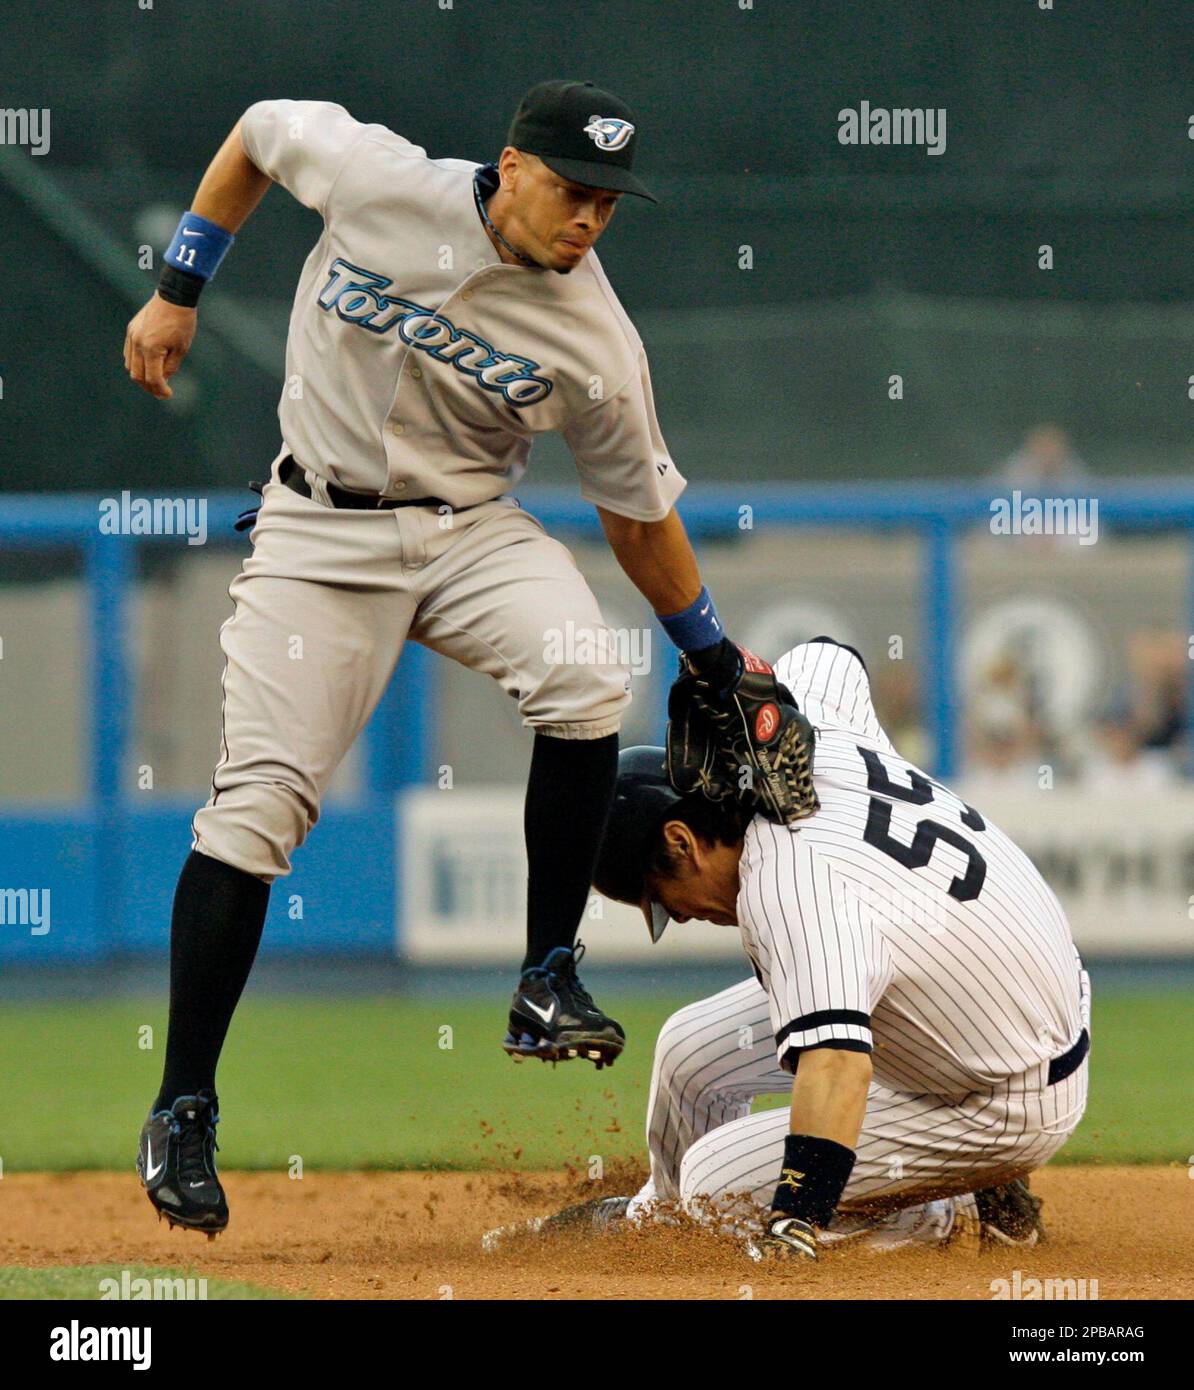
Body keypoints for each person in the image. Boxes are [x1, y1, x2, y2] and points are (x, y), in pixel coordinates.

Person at [123, 79, 761, 1235]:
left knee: (584, 673)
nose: (591, 220)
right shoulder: (377, 179)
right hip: (316, 531)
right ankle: (183, 1106)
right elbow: (258, 131)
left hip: (465, 525)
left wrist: (711, 651)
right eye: (575, 189)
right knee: (256, 811)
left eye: (611, 203)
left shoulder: (597, 337)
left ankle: (544, 975)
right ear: (512, 168)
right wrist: (179, 292)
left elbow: (634, 509)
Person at [498, 637, 1091, 1258]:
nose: (677, 913)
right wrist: (733, 684)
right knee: (687, 1053)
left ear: (681, 841)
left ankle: (955, 1206)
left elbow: (838, 1065)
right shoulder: (801, 738)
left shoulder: (787, 886)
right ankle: (662, 1225)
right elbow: (830, 655)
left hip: (1003, 1093)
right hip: (993, 995)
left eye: (660, 897)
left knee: (715, 1187)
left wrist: (795, 1218)